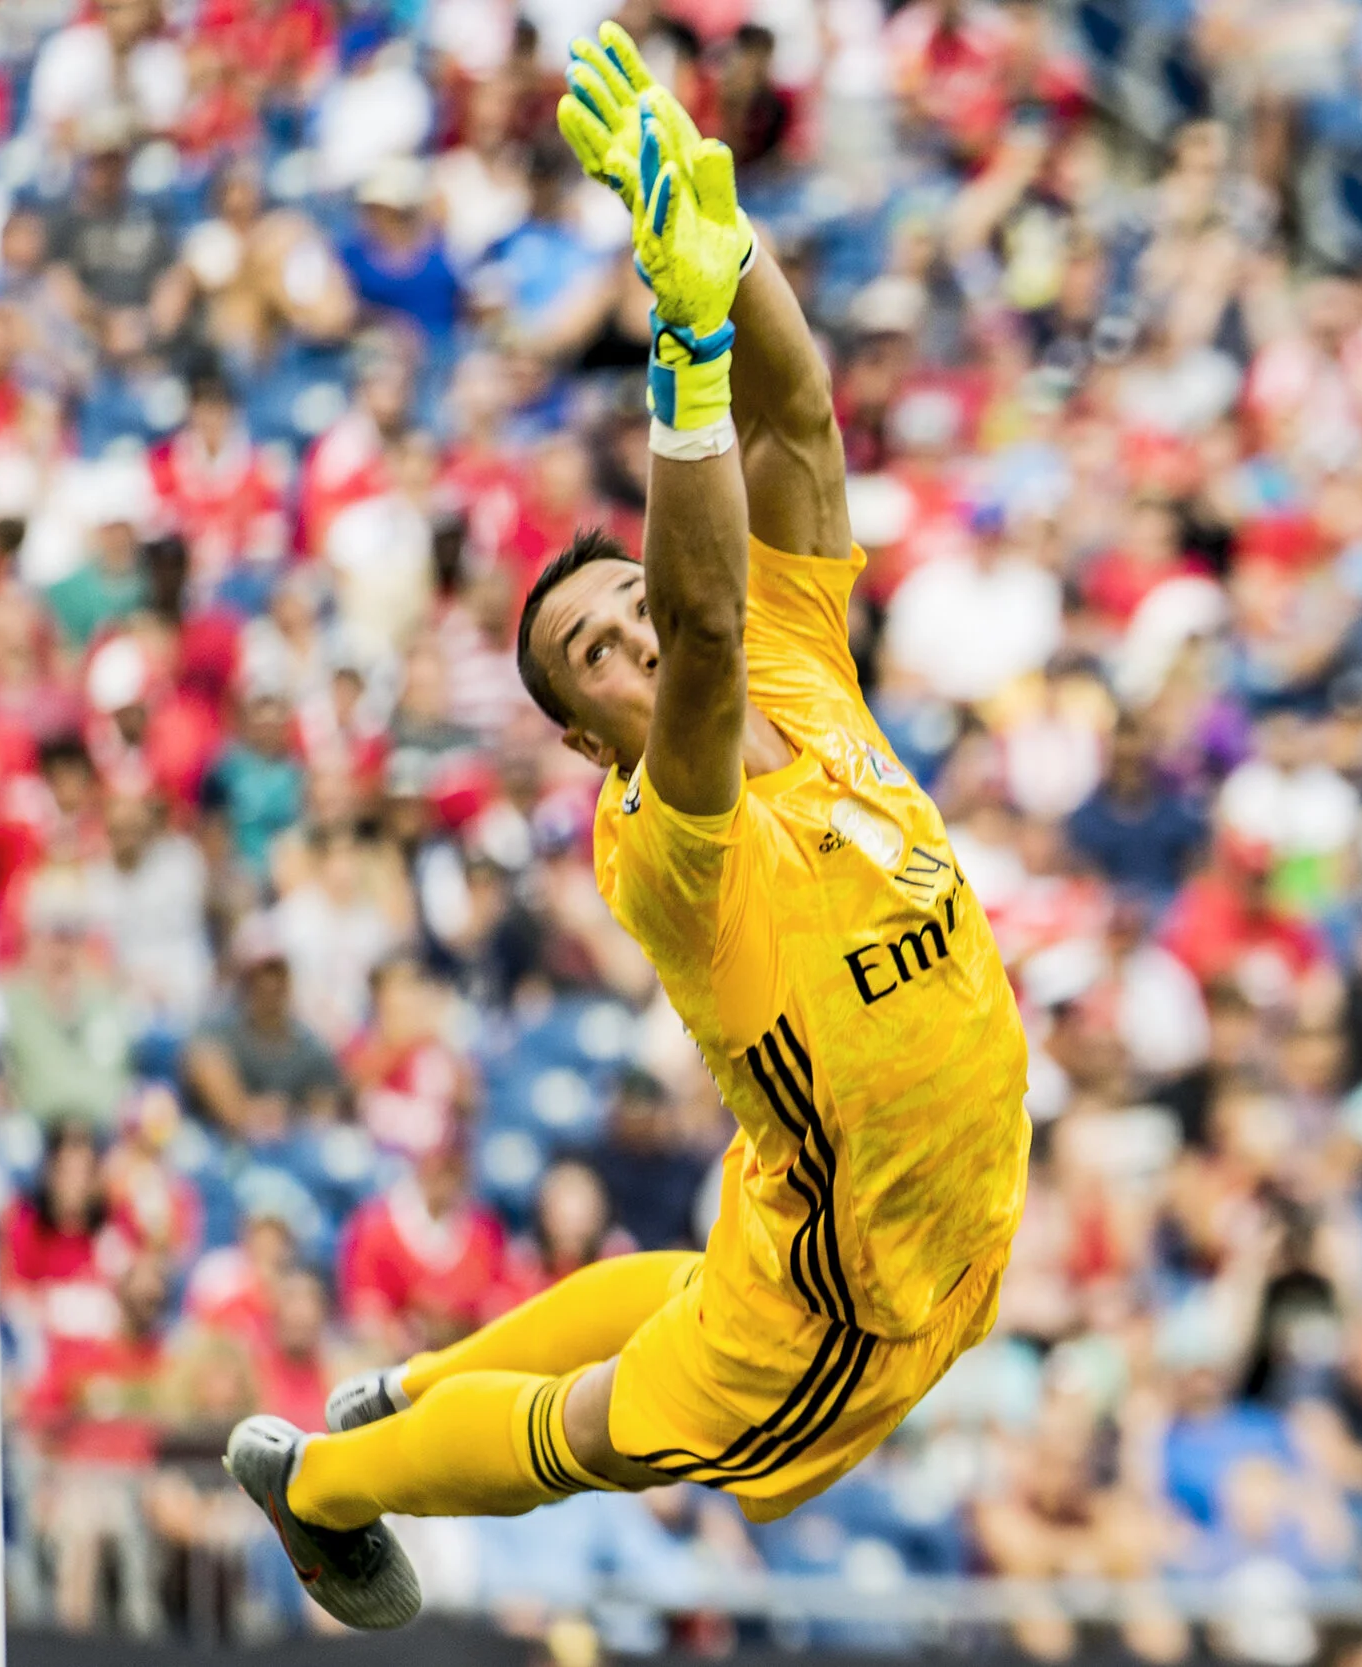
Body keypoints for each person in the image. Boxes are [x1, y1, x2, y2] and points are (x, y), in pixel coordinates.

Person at [226, 34, 1030, 1628]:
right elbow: (709, 617)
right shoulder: (664, 831)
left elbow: (797, 422)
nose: (637, 638)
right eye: (600, 647)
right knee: (600, 1425)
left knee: (669, 1288)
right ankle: (318, 1487)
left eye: (625, 609)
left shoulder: (799, 652)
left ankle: (411, 1386)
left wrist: (727, 255)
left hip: (889, 1211)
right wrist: (685, 348)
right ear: (588, 736)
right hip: (842, 1310)